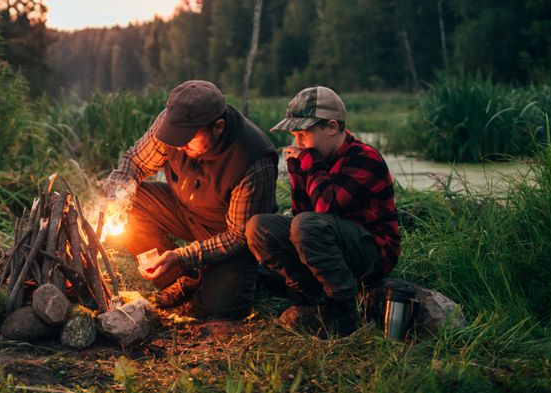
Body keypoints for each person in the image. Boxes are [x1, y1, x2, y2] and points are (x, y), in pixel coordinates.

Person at [103, 80, 278, 319]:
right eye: (177, 136)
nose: (180, 144)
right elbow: (135, 161)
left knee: (217, 308)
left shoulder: (252, 159)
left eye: (189, 138)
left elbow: (238, 236)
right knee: (130, 202)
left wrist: (184, 256)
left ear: (218, 127)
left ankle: (257, 276)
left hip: (229, 235)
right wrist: (115, 197)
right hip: (184, 211)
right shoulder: (173, 126)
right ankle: (183, 277)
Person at [245, 86, 400, 337]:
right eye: (295, 136)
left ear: (332, 127)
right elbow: (301, 214)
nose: (298, 144)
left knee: (308, 225)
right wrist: (297, 171)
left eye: (304, 134)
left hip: (373, 251)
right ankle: (312, 297)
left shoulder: (364, 157)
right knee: (259, 227)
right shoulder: (316, 156)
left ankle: (345, 313)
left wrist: (308, 161)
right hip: (332, 242)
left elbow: (326, 210)